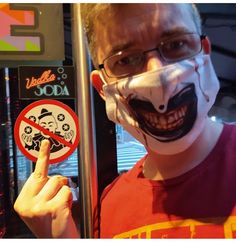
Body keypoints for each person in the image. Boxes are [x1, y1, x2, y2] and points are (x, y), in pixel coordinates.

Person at [14, 3, 236, 238]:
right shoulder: (110, 207)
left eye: (175, 44)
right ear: (102, 88)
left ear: (204, 50)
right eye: (126, 60)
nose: (158, 76)